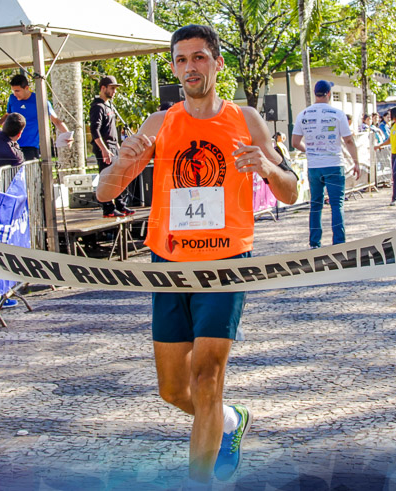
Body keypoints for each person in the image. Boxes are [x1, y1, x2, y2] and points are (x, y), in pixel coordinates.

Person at [95, 24, 298, 484]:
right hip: (168, 266)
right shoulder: (158, 122)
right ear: (173, 67)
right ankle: (228, 420)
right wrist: (122, 161)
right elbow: (106, 191)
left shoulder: (245, 119)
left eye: (200, 57)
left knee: (207, 379)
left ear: (217, 63)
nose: (191, 67)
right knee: (172, 389)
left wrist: (266, 167)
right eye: (182, 59)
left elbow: (290, 192)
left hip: (225, 264)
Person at [292, 80, 361, 249]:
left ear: (315, 93)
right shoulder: (338, 114)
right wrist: (356, 162)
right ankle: (338, 242)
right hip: (334, 164)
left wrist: (308, 151)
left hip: (314, 166)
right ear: (329, 94)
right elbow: (349, 140)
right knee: (337, 204)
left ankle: (315, 242)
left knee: (316, 205)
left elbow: (295, 142)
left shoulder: (303, 114)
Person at [90, 75, 135, 219]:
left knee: (117, 176)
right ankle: (108, 207)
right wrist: (104, 149)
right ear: (103, 88)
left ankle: (120, 204)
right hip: (104, 148)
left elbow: (111, 130)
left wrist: (116, 145)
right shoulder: (97, 107)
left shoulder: (108, 106)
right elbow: (94, 130)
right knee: (107, 176)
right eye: (112, 88)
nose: (114, 92)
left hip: (112, 146)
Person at [7, 72, 72, 161]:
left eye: (17, 91)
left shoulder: (40, 100)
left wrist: (67, 134)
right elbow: (7, 116)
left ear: (26, 88)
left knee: (31, 173)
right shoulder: (12, 99)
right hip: (12, 145)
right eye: (13, 91)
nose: (15, 94)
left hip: (30, 147)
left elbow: (56, 121)